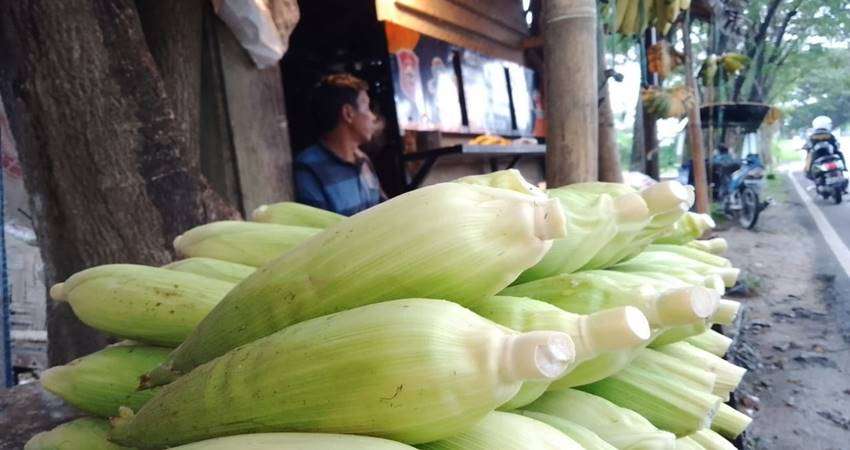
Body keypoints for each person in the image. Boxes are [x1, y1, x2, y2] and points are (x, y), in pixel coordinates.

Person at [294, 74, 385, 216]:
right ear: (348, 113)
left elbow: (384, 209)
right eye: (367, 107)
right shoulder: (310, 167)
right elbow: (319, 231)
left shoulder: (363, 161)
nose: (373, 117)